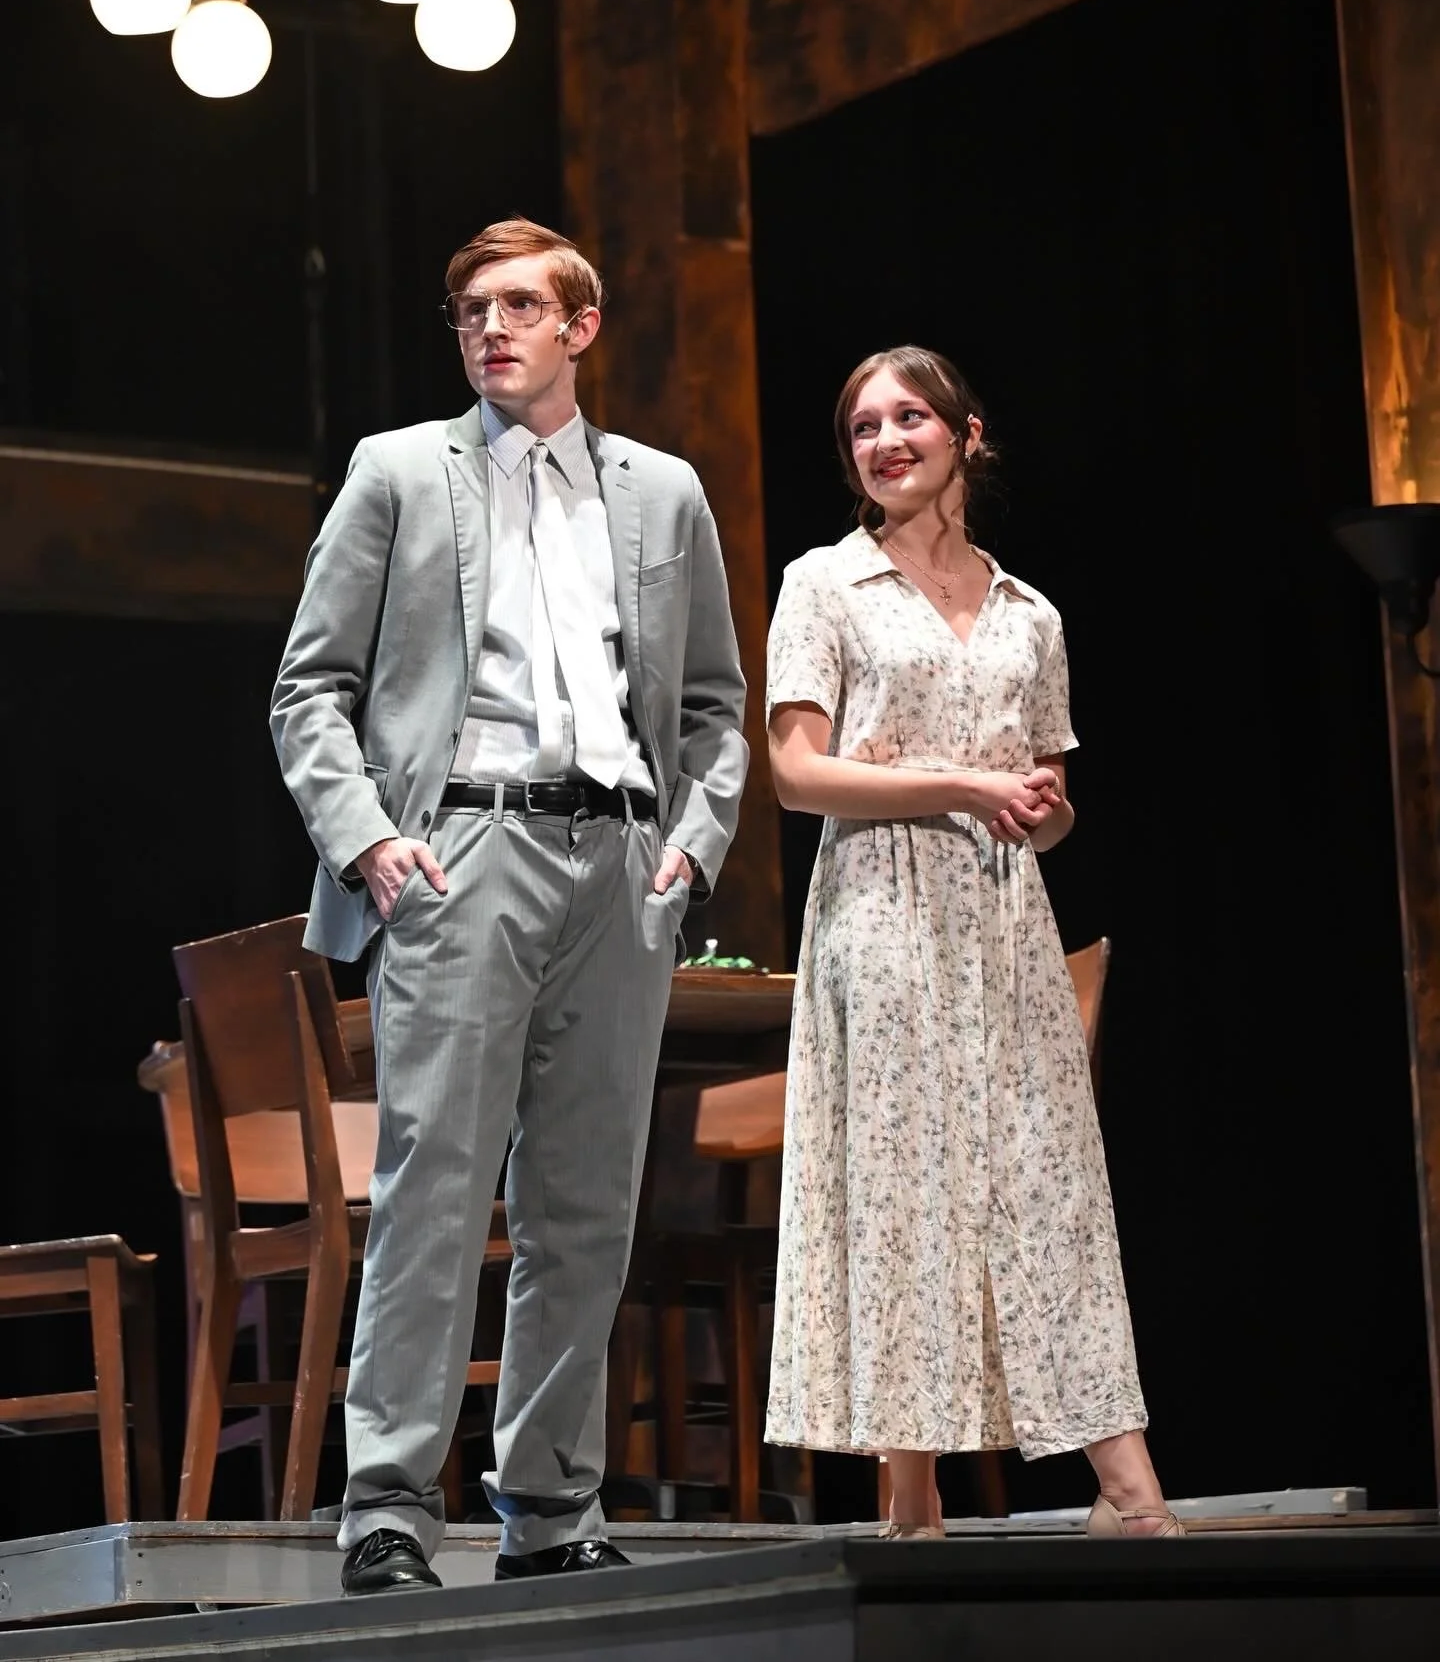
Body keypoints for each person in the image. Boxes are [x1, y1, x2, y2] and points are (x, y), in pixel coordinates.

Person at [271, 217, 748, 1591]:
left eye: (522, 304)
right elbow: (308, 687)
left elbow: (714, 707)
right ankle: (386, 1505)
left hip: (621, 860)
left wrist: (692, 839)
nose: (492, 327)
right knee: (434, 1186)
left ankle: (550, 1507)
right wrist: (370, 840)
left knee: (585, 1203)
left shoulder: (663, 492)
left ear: (580, 326)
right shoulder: (399, 471)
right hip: (461, 847)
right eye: (472, 307)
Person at [763, 346, 1180, 1539]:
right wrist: (957, 782)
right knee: (907, 1183)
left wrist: (1040, 810)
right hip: (881, 909)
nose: (885, 441)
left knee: (1051, 1186)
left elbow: (1048, 802)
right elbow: (795, 773)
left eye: (909, 417)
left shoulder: (1029, 612)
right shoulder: (826, 584)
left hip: (1003, 917)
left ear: (966, 435)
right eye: (863, 427)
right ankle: (911, 1495)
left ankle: (1126, 1487)